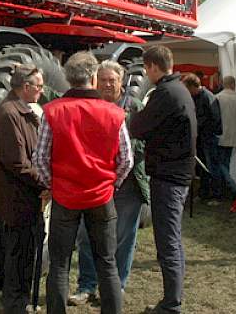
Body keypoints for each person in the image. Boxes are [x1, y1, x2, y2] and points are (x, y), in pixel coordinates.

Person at [34, 51, 131, 314]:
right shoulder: (114, 113)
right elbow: (126, 160)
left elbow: (40, 158)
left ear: (67, 77)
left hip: (65, 197)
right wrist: (112, 185)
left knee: (59, 264)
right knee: (107, 263)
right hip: (101, 196)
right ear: (94, 76)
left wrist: (52, 186)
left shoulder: (52, 111)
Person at [70, 61, 147, 306]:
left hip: (127, 183)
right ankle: (87, 286)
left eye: (111, 80)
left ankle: (115, 285)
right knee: (86, 234)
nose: (107, 84)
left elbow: (145, 143)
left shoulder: (134, 108)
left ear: (121, 82)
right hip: (93, 183)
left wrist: (118, 163)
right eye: (102, 79)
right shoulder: (89, 107)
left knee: (123, 237)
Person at [129, 46, 196, 314]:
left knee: (167, 242)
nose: (147, 72)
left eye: (147, 68)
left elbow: (137, 127)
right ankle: (173, 298)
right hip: (178, 173)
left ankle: (171, 304)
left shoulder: (165, 93)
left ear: (153, 67)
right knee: (173, 239)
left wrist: (131, 115)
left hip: (168, 176)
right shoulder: (179, 89)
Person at [0, 64, 47, 314]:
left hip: (26, 197)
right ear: (25, 87)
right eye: (39, 86)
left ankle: (20, 299)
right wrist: (46, 182)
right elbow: (17, 163)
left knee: (25, 252)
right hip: (17, 200)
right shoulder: (9, 115)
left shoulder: (21, 112)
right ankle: (15, 304)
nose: (41, 91)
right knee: (18, 255)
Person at [182, 73, 226, 203]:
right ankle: (204, 193)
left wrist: (198, 125)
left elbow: (214, 119)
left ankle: (217, 195)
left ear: (192, 87)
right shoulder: (196, 97)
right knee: (202, 167)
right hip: (201, 138)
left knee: (212, 167)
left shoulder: (208, 97)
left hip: (209, 138)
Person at [215, 75, 236, 194]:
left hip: (219, 136)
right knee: (225, 163)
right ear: (233, 85)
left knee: (219, 164)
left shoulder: (217, 98)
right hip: (233, 137)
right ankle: (228, 187)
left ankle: (230, 186)